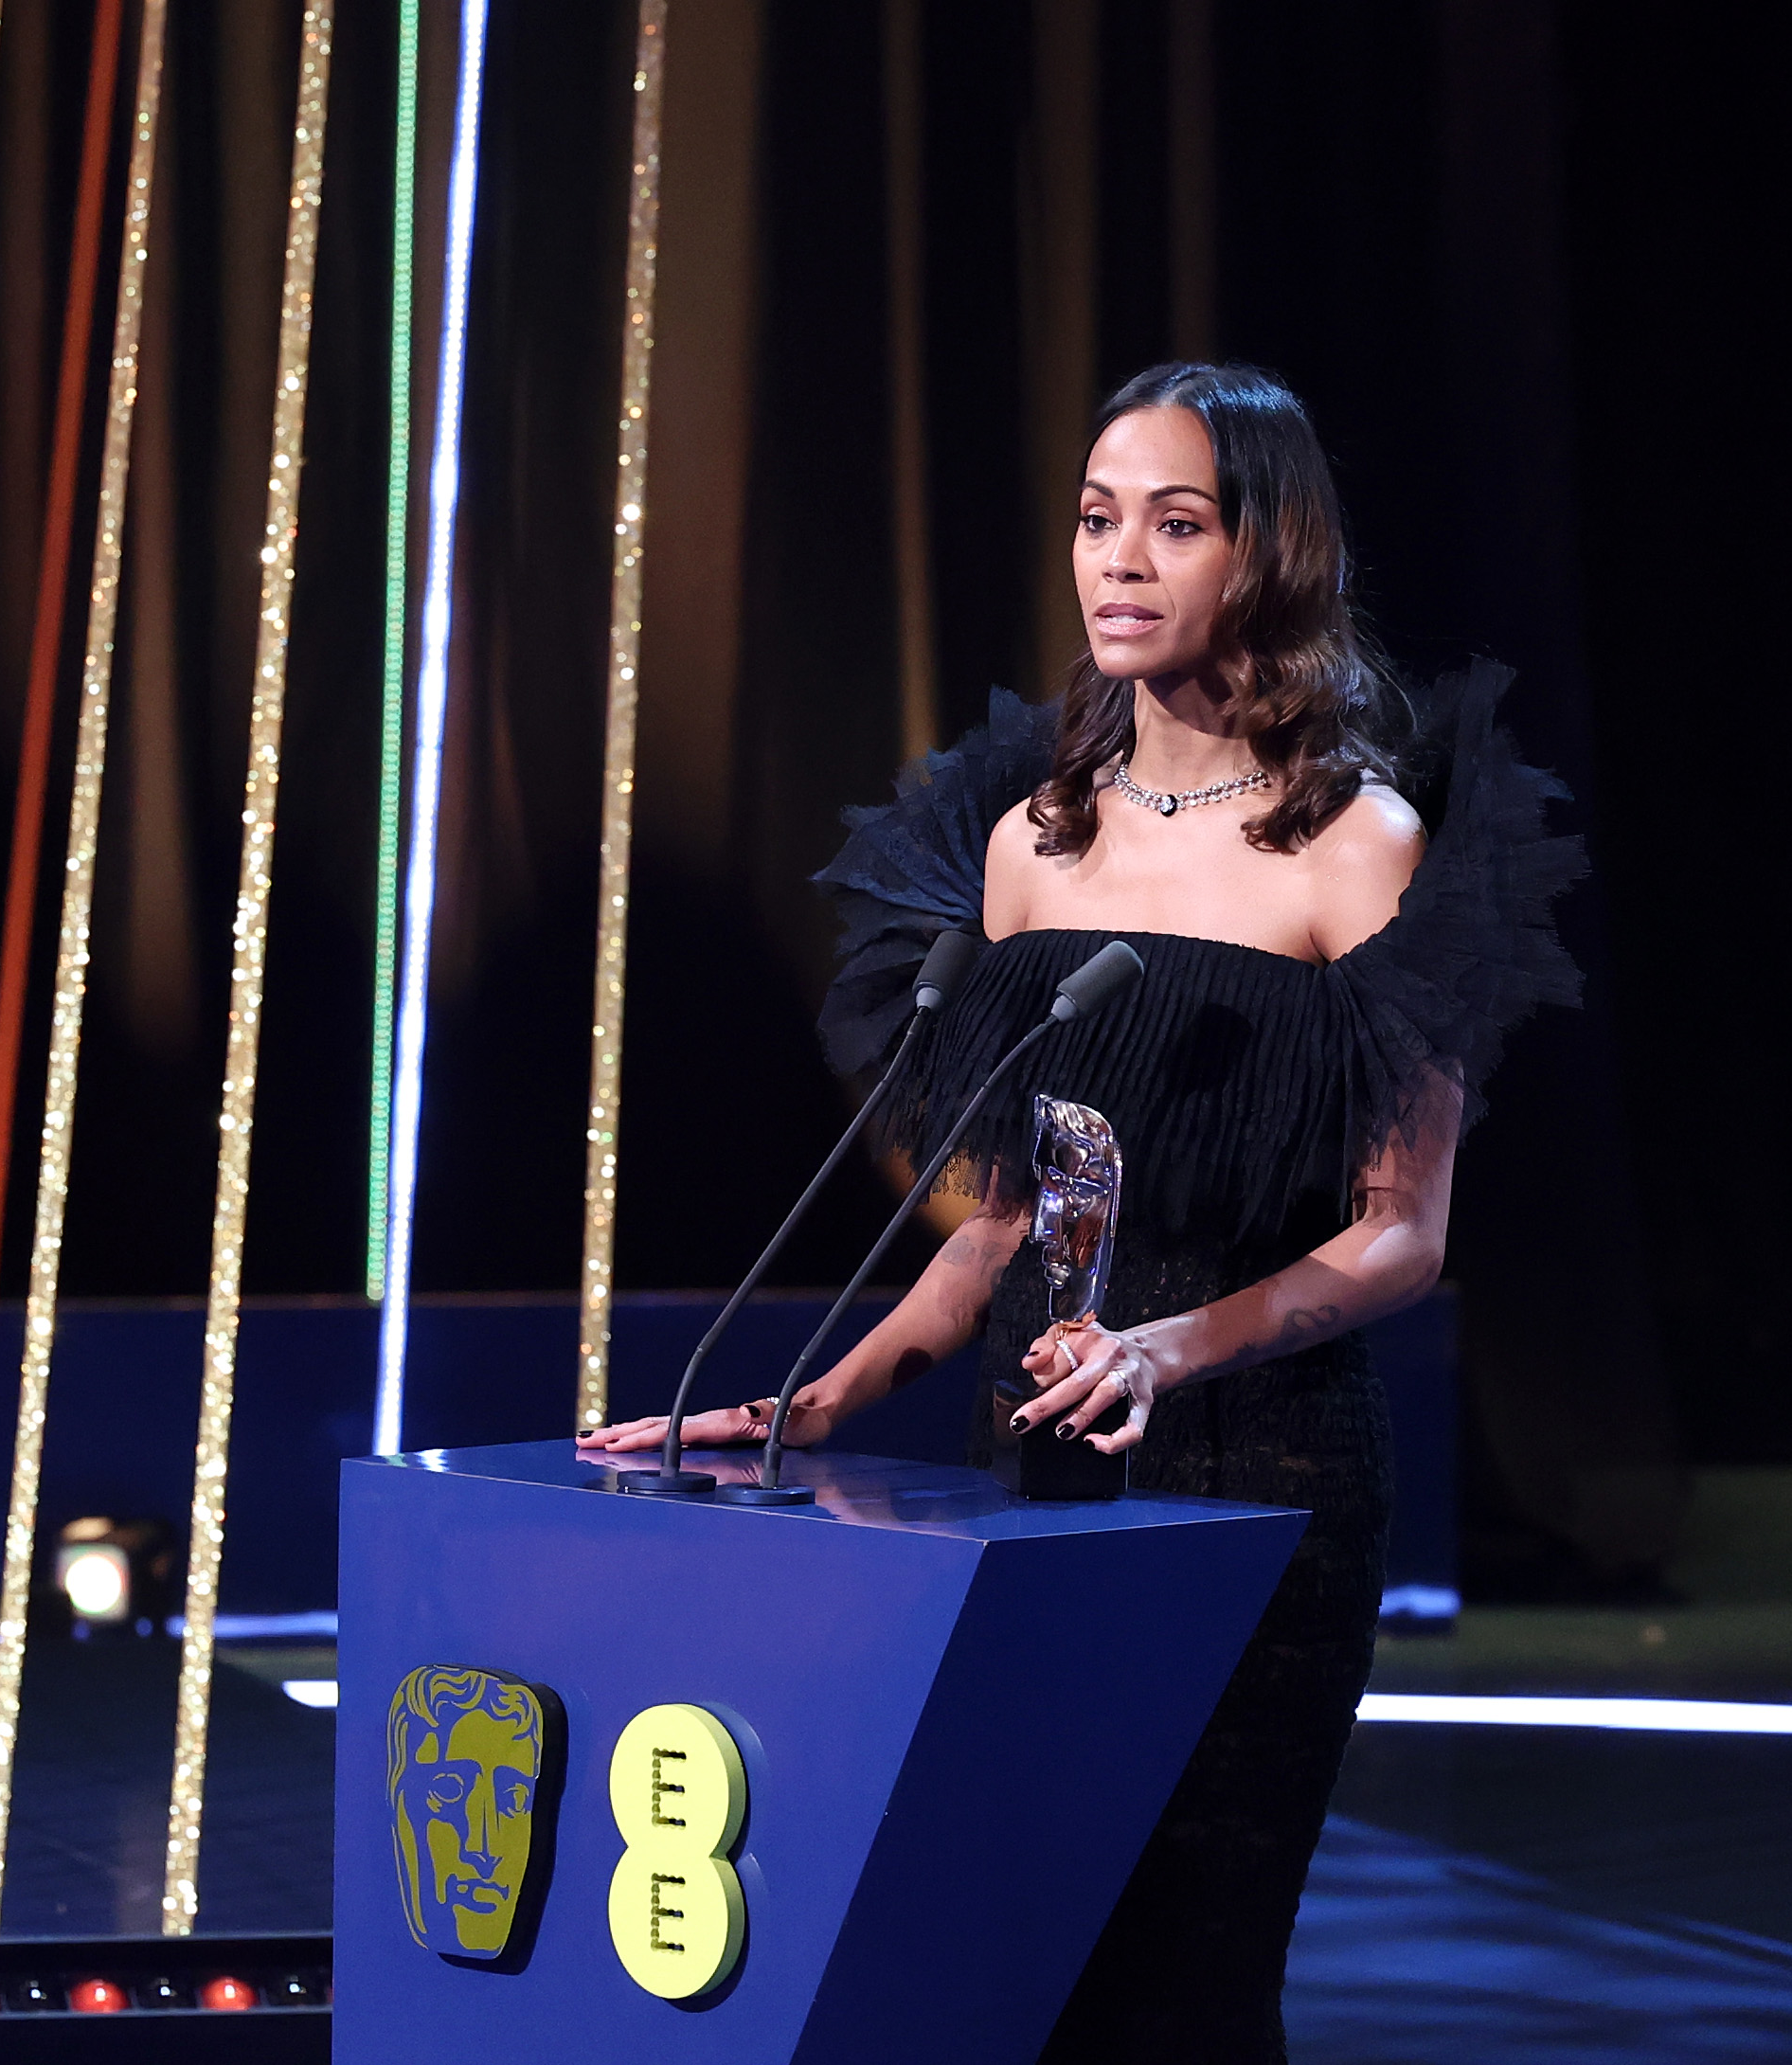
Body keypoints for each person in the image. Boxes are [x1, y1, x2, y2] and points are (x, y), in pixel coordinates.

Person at [583, 362, 1580, 2059]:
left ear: (1264, 553)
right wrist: (828, 1391)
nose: (1117, 561)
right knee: (1035, 1960)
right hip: (1040, 1462)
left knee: (1190, 1971)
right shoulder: (1032, 845)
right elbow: (1002, 1218)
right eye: (1095, 518)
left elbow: (1398, 1237)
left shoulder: (1360, 848)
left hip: (1255, 1469)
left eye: (1172, 525)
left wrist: (1166, 1350)